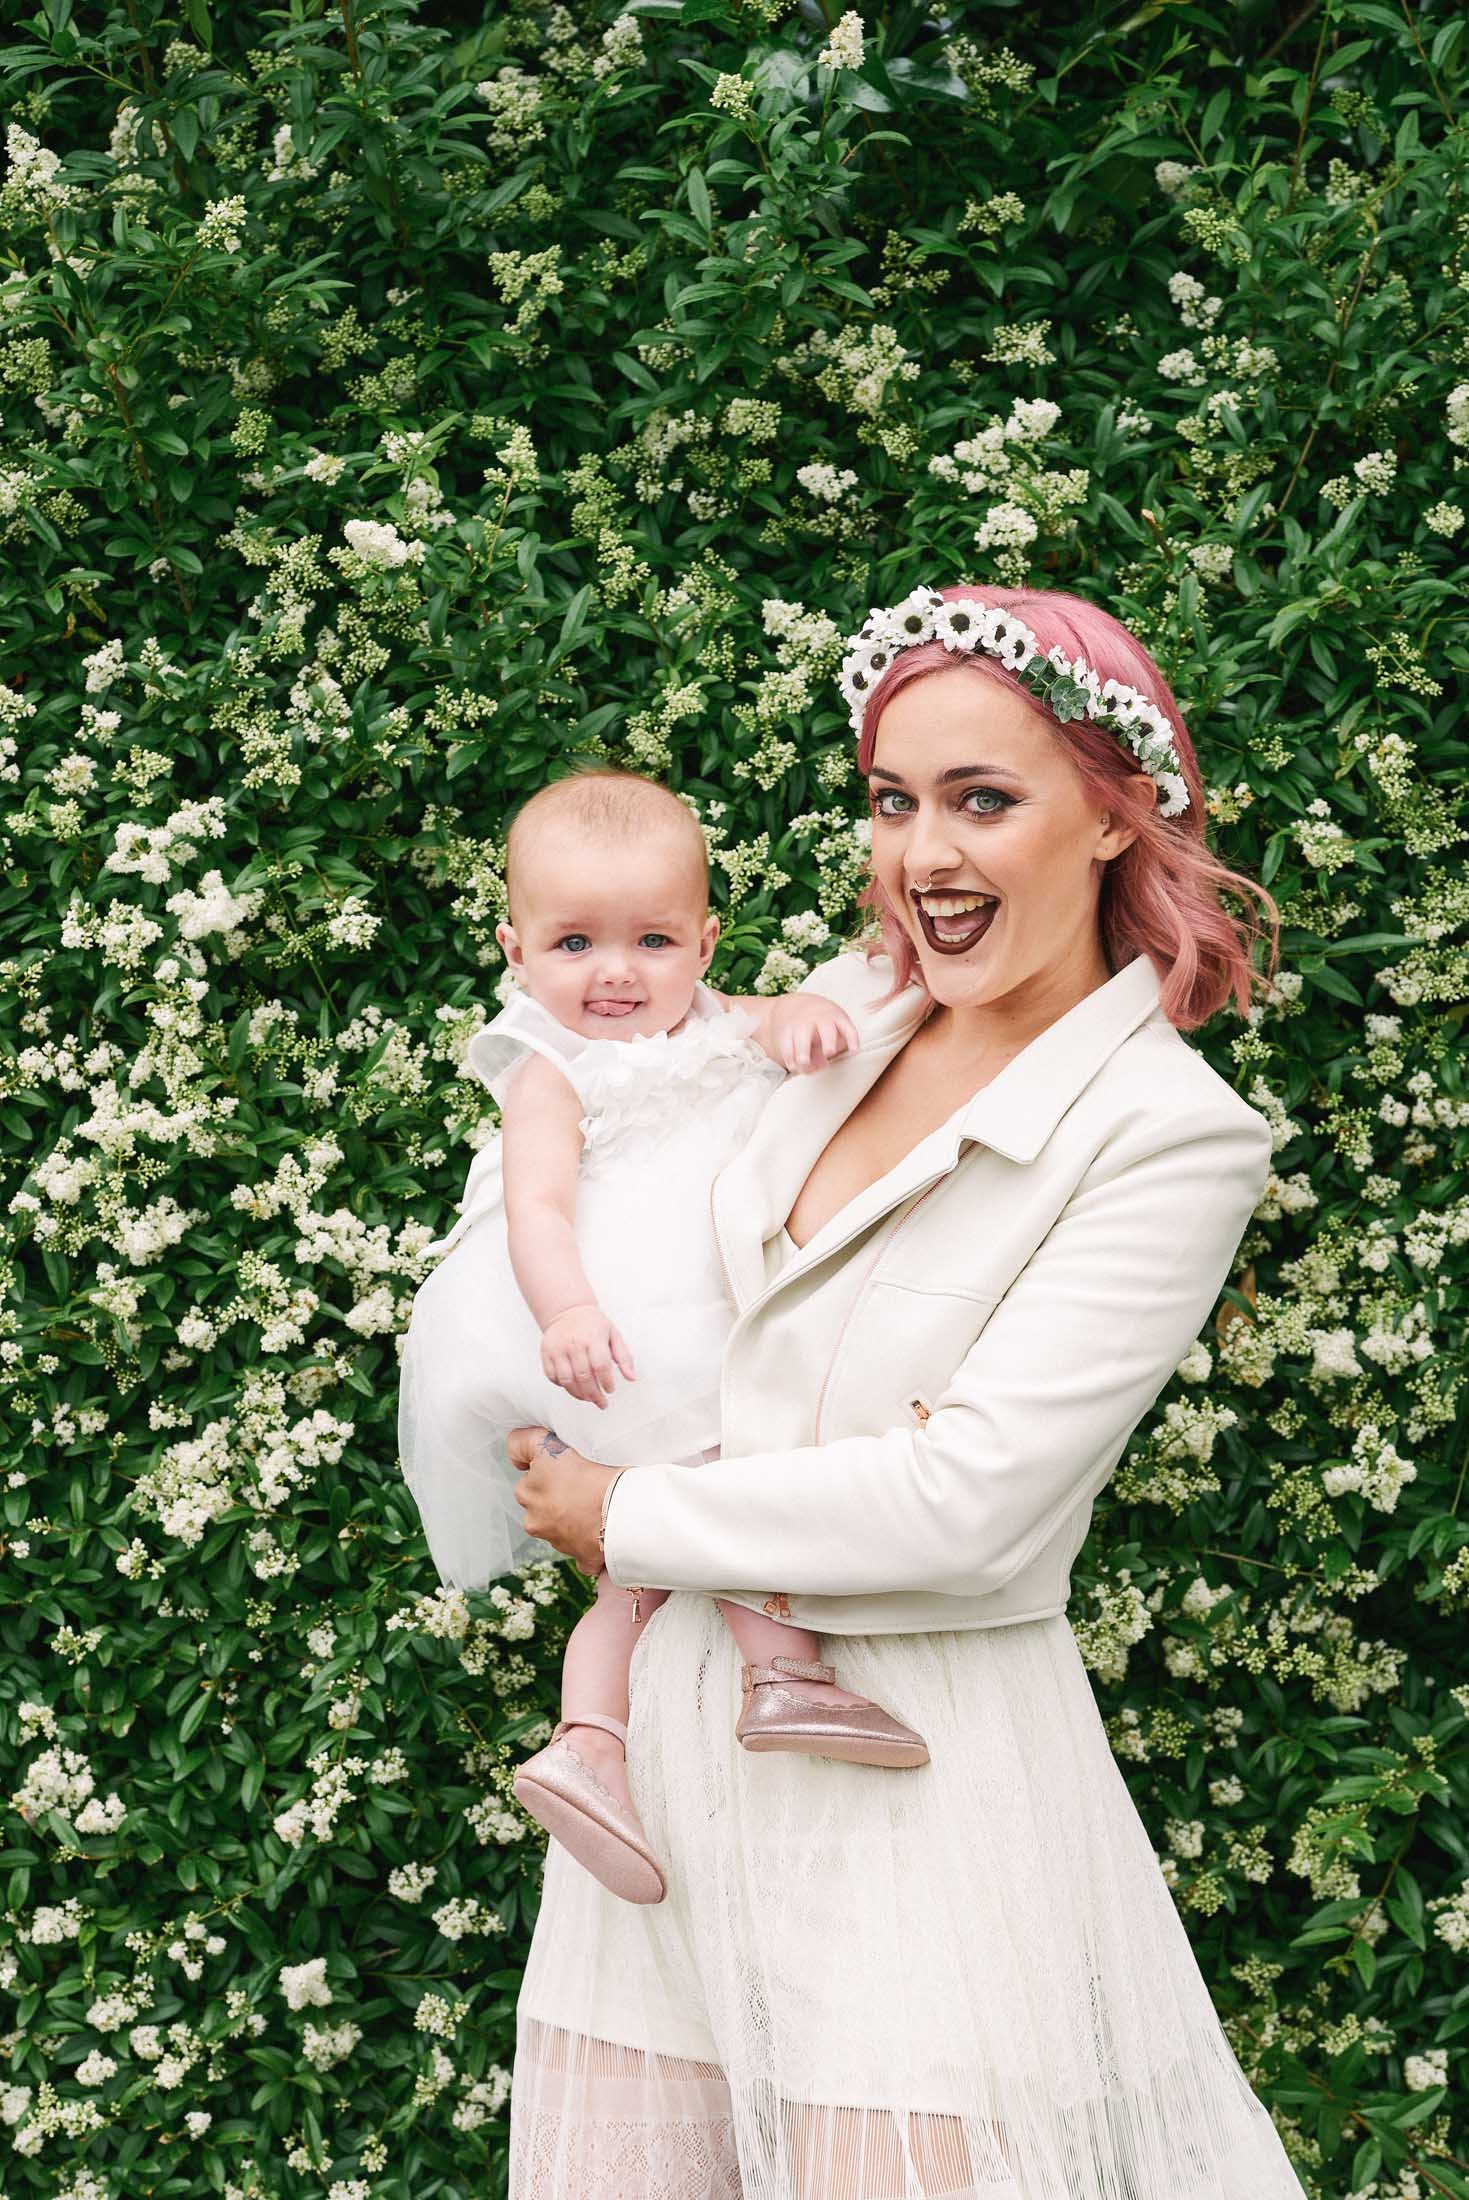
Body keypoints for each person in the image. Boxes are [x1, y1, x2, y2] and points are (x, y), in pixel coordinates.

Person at [500, 586, 1310, 2198]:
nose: (922, 853)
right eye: (893, 801)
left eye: (982, 800)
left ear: (1109, 814)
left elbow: (972, 1499)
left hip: (919, 1779)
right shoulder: (830, 1018)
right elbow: (597, 1195)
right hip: (668, 1765)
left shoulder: (1163, 1131)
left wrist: (623, 1510)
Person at [396, 770, 929, 1910]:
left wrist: (795, 1018)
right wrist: (571, 1313)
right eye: (574, 942)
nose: (614, 972)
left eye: (650, 938)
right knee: (718, 1478)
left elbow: (765, 1024)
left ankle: (587, 1745)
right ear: (515, 950)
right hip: (617, 1326)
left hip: (684, 1308)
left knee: (637, 1574)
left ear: (702, 941)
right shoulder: (549, 1072)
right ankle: (782, 1671)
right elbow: (533, 1209)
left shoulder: (705, 1014)